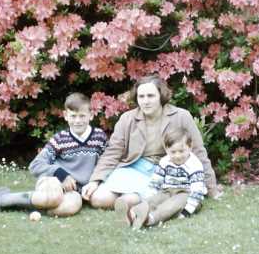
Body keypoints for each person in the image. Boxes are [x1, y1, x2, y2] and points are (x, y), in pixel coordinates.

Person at [80, 74, 219, 219]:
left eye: (151, 96)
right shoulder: (127, 119)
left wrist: (212, 189)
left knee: (131, 199)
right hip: (134, 168)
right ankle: (133, 201)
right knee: (98, 199)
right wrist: (95, 181)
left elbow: (198, 152)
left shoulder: (181, 116)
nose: (145, 101)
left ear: (161, 96)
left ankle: (133, 203)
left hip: (165, 172)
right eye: (141, 96)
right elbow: (112, 152)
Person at [0, 92, 107, 217]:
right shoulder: (60, 139)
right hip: (54, 181)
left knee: (69, 207)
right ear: (65, 115)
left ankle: (33, 206)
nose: (78, 121)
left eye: (82, 116)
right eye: (73, 116)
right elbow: (35, 165)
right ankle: (1, 199)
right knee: (52, 198)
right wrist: (60, 173)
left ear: (91, 115)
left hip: (75, 191)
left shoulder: (99, 137)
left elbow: (106, 163)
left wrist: (96, 183)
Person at [127, 127, 207, 229]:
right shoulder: (164, 161)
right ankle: (133, 214)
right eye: (173, 152)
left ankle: (150, 219)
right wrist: (148, 199)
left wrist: (187, 211)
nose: (177, 156)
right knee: (156, 199)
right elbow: (155, 182)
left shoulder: (194, 164)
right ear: (166, 149)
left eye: (181, 151)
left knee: (171, 205)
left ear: (190, 147)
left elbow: (197, 190)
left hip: (187, 194)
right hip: (168, 191)